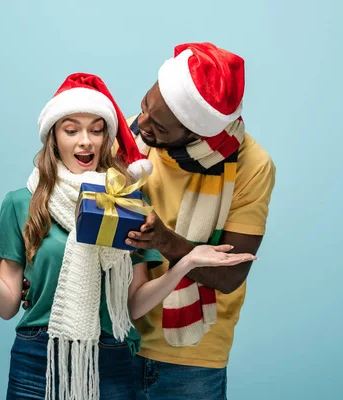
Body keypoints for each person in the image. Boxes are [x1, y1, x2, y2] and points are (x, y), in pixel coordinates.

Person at [0, 72, 257, 400]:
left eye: (96, 130)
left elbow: (132, 305)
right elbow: (7, 304)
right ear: (53, 137)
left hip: (111, 359)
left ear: (108, 138)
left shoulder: (128, 202)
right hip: (36, 358)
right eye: (71, 130)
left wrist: (186, 263)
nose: (85, 141)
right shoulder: (21, 203)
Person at [124, 42, 277, 399]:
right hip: (114, 338)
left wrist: (164, 240)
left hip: (192, 359)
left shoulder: (252, 166)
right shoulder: (129, 134)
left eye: (159, 126)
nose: (140, 123)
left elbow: (230, 274)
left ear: (195, 134)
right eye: (145, 105)